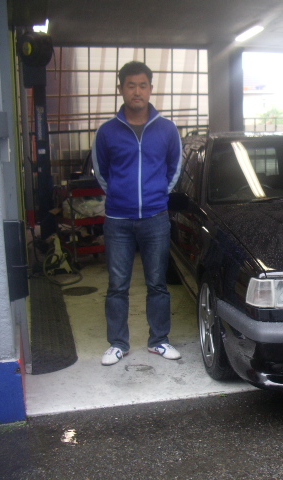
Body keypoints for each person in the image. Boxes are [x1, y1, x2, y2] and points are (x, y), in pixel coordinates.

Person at [92, 61, 182, 366]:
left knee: (157, 283)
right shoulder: (107, 131)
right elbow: (102, 172)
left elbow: (174, 167)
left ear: (151, 89)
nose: (137, 91)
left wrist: (158, 194)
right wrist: (120, 195)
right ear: (121, 89)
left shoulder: (167, 129)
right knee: (118, 285)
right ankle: (118, 344)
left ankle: (159, 340)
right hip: (118, 220)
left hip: (156, 218)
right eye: (131, 85)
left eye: (143, 85)